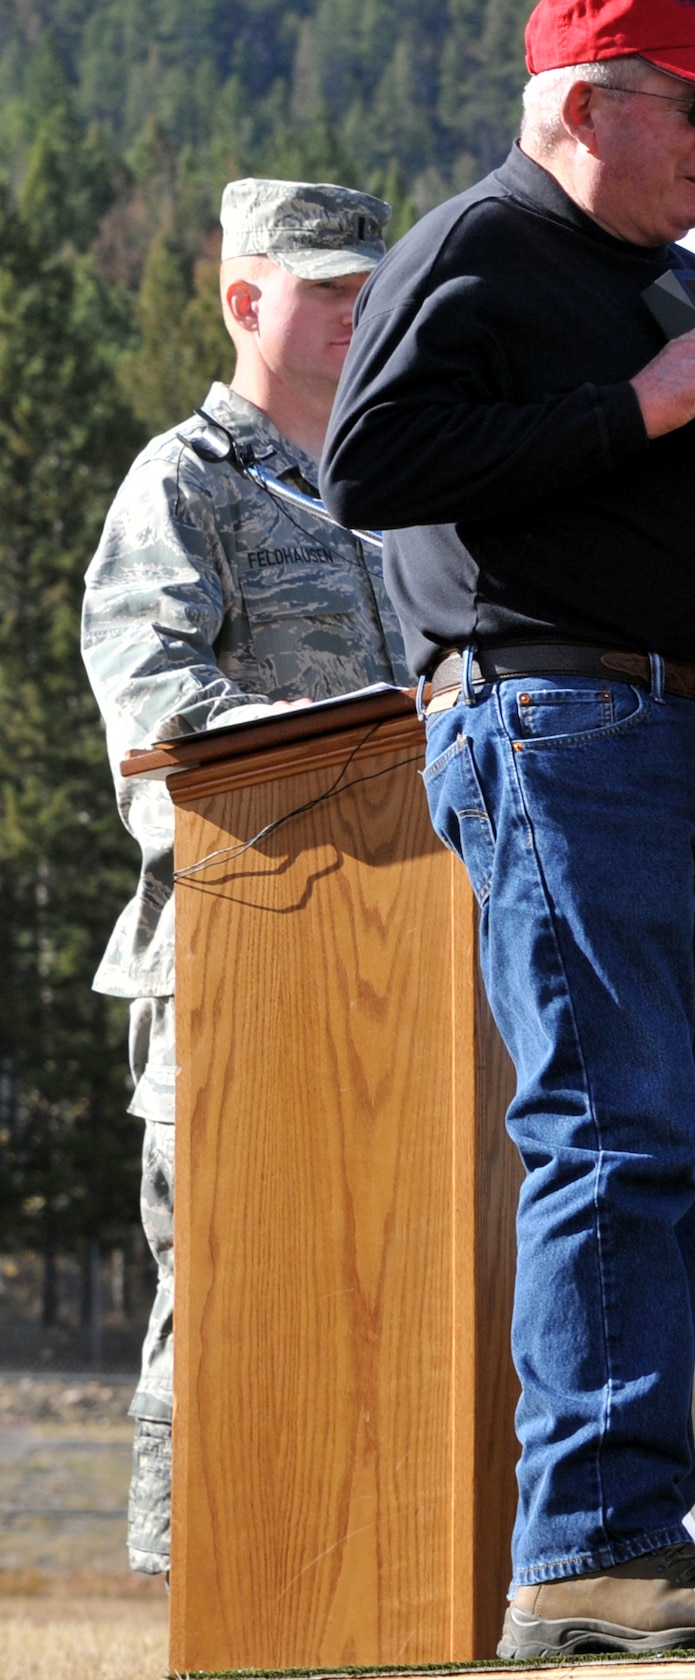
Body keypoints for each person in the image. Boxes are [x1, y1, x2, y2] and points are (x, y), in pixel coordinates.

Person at [319, 0, 695, 1661]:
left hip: (685, 737)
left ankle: (630, 1530)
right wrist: (631, 408)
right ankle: (590, 1546)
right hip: (558, 721)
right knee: (614, 1129)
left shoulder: (674, 291)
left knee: (686, 1147)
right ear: (584, 105)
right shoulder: (476, 249)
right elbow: (369, 463)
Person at [81, 179, 402, 1578]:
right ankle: (197, 1603)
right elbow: (156, 727)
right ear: (242, 298)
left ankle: (378, 1598)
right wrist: (387, 736)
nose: (354, 311)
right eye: (325, 287)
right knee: (219, 1298)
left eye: (365, 287)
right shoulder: (183, 484)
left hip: (409, 965)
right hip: (235, 954)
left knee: (389, 1294)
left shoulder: (405, 485)